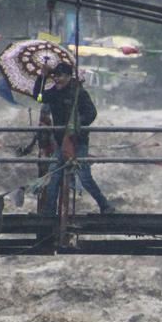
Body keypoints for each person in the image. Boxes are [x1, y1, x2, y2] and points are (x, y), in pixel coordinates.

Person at [38, 60, 115, 215]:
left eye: (60, 76)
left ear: (68, 76)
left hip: (78, 142)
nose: (57, 79)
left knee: (84, 176)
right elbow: (39, 97)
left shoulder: (78, 92)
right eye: (55, 76)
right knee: (54, 176)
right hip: (61, 143)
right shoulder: (53, 93)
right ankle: (49, 212)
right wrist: (42, 77)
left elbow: (91, 113)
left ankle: (105, 206)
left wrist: (76, 125)